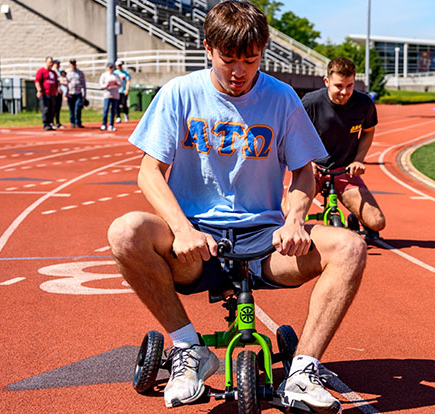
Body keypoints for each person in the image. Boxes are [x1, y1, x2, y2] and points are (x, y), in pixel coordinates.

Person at [106, 2, 362, 412]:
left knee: (350, 247)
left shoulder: (280, 98)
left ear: (262, 52)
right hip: (194, 242)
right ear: (208, 48)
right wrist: (182, 228)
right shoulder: (179, 93)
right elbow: (149, 171)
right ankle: (189, 349)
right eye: (228, 60)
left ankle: (302, 371)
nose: (240, 71)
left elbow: (303, 171)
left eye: (250, 59)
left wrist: (296, 219)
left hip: (265, 241)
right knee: (124, 231)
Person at [301, 57, 384, 239]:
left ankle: (355, 218)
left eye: (350, 86)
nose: (344, 92)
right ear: (327, 81)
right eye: (339, 86)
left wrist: (358, 160)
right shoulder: (310, 102)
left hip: (344, 170)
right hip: (313, 169)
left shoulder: (364, 103)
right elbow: (295, 135)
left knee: (377, 222)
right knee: (286, 215)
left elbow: (368, 131)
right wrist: (307, 162)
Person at [34, 57, 59, 131]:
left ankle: (51, 123)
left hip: (52, 94)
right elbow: (37, 81)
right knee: (46, 109)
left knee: (52, 109)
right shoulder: (41, 71)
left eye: (52, 62)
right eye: (49, 62)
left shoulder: (53, 73)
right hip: (45, 94)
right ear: (46, 62)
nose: (51, 64)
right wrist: (39, 90)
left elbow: (56, 82)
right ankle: (46, 124)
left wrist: (57, 90)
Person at [98, 63, 121, 131]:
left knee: (113, 111)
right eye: (109, 67)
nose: (111, 69)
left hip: (115, 95)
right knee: (106, 110)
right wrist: (106, 85)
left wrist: (116, 84)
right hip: (107, 94)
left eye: (112, 67)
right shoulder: (104, 75)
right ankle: (104, 124)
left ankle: (111, 124)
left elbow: (121, 84)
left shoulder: (116, 75)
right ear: (107, 68)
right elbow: (101, 85)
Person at [66, 59, 87, 128]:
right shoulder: (67, 73)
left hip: (78, 93)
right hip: (70, 93)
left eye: (74, 64)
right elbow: (65, 83)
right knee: (71, 109)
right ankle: (72, 122)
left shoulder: (80, 73)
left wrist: (85, 93)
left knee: (78, 108)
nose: (73, 65)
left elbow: (83, 83)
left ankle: (78, 122)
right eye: (71, 64)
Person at [52, 59, 65, 129]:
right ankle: (52, 122)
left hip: (59, 91)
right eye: (57, 64)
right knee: (54, 108)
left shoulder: (59, 72)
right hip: (55, 92)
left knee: (58, 108)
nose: (58, 65)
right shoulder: (53, 71)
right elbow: (57, 81)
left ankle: (57, 122)